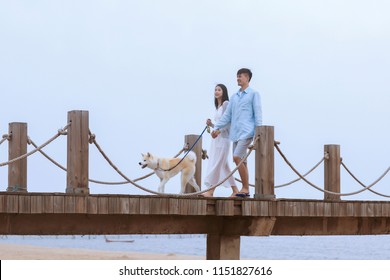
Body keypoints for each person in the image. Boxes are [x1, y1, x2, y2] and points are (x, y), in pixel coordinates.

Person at [211, 68, 262, 198]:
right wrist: (216, 128)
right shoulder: (234, 97)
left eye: (240, 76)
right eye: (237, 76)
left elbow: (258, 114)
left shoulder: (253, 94)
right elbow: (227, 116)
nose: (238, 78)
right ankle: (245, 191)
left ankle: (245, 188)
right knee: (242, 161)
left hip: (247, 132)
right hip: (235, 134)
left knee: (236, 157)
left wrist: (258, 132)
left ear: (247, 78)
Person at [202, 84, 239, 197]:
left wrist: (218, 131)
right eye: (215, 89)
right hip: (217, 140)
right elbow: (219, 125)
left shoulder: (226, 104)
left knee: (217, 164)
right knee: (224, 166)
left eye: (219, 90)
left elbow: (228, 123)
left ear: (224, 92)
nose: (217, 91)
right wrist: (211, 124)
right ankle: (235, 190)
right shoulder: (217, 107)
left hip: (224, 139)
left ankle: (211, 191)